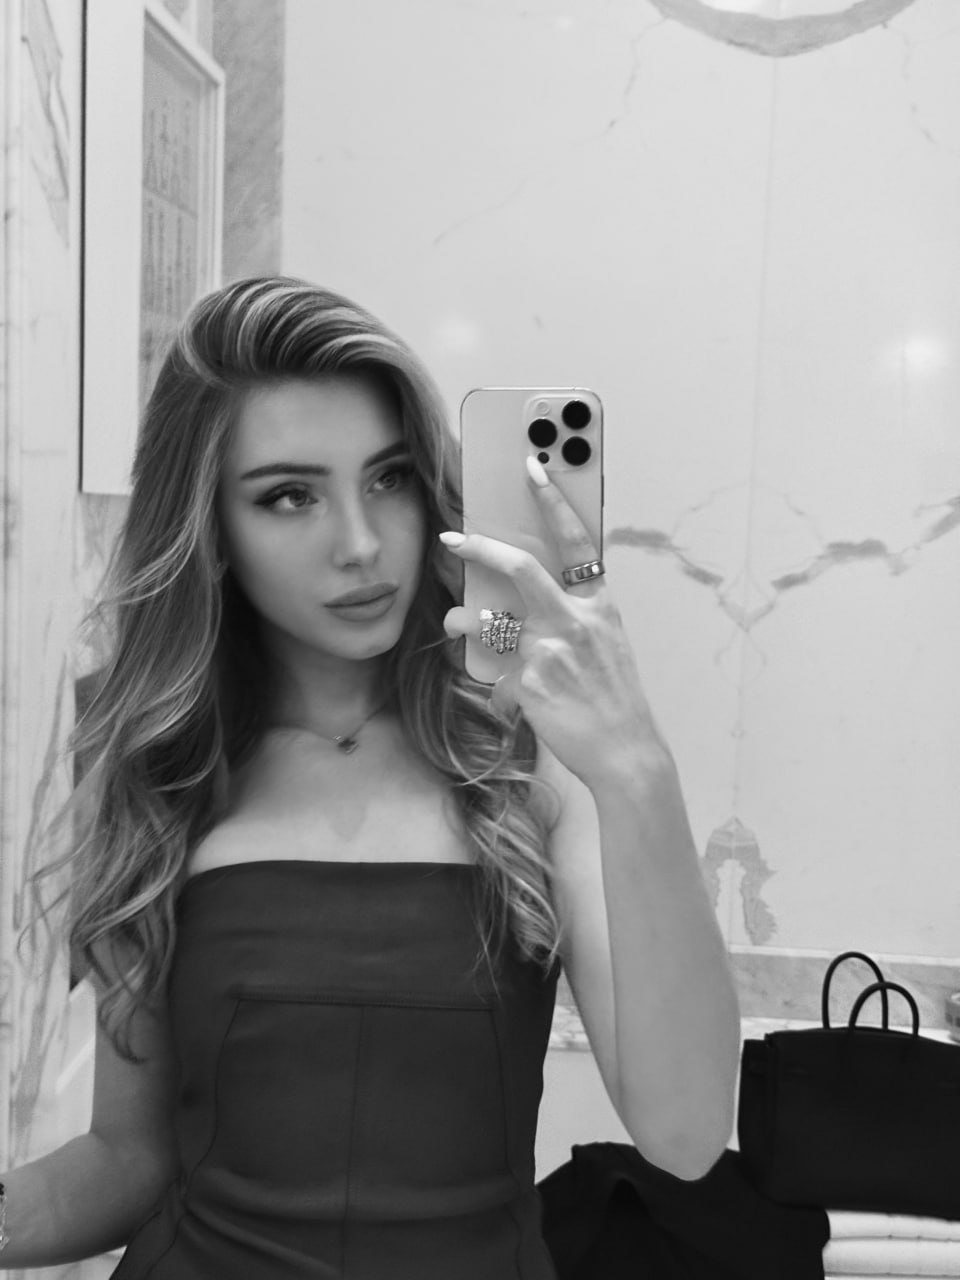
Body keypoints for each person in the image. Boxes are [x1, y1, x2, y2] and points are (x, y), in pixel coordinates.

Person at [0, 277, 741, 1278]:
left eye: (388, 478)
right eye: (290, 495)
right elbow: (128, 1159)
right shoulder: (160, 771)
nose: (360, 543)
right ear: (210, 528)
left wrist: (637, 767)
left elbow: (687, 1134)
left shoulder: (530, 767)